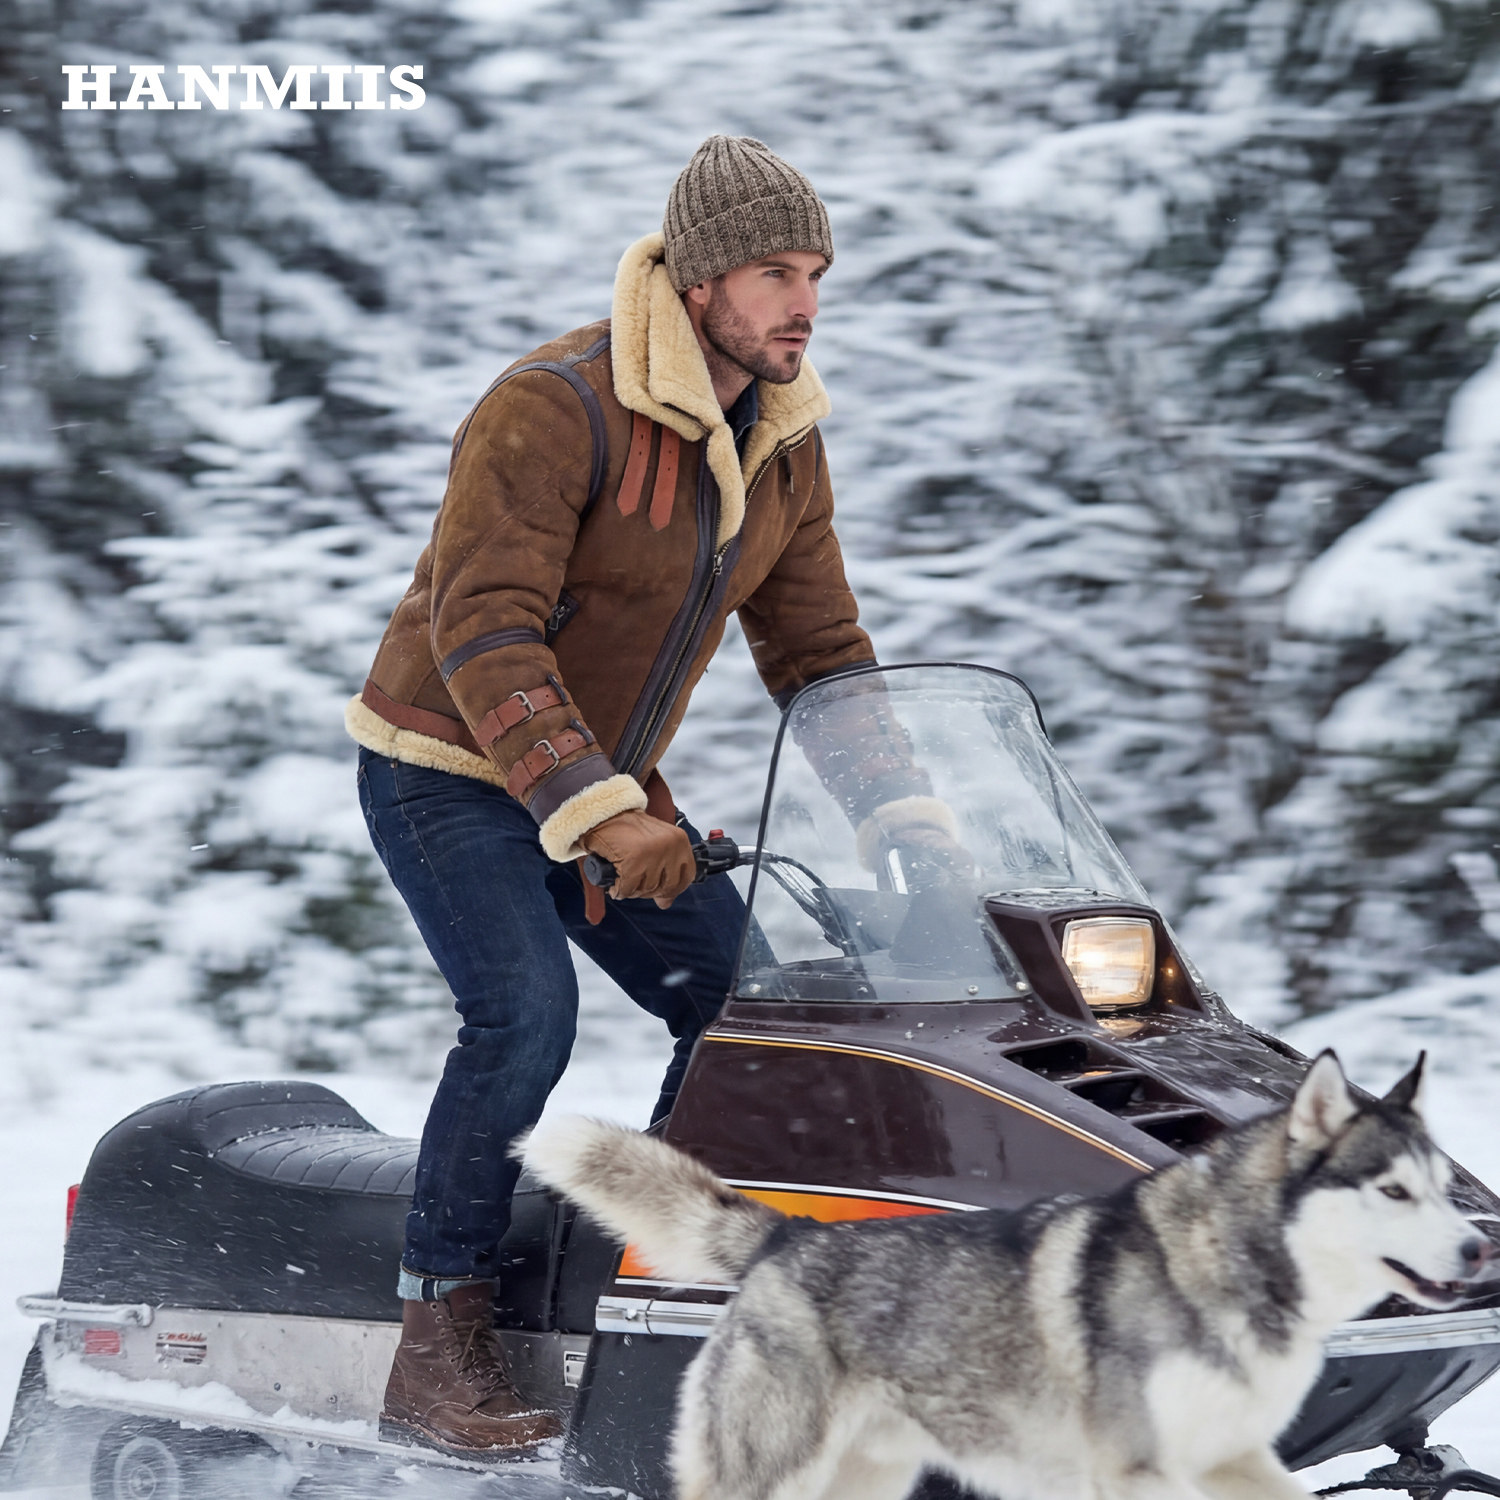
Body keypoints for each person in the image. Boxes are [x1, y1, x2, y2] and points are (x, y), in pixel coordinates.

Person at [345, 136, 880, 1458]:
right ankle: (438, 1329)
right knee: (525, 1016)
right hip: (449, 764)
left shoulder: (783, 445)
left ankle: (628, 1283)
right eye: (773, 271)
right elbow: (486, 631)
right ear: (701, 281)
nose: (803, 299)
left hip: (601, 782)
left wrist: (914, 821)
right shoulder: (554, 406)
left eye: (814, 270)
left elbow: (819, 657)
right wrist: (595, 809)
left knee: (745, 1006)